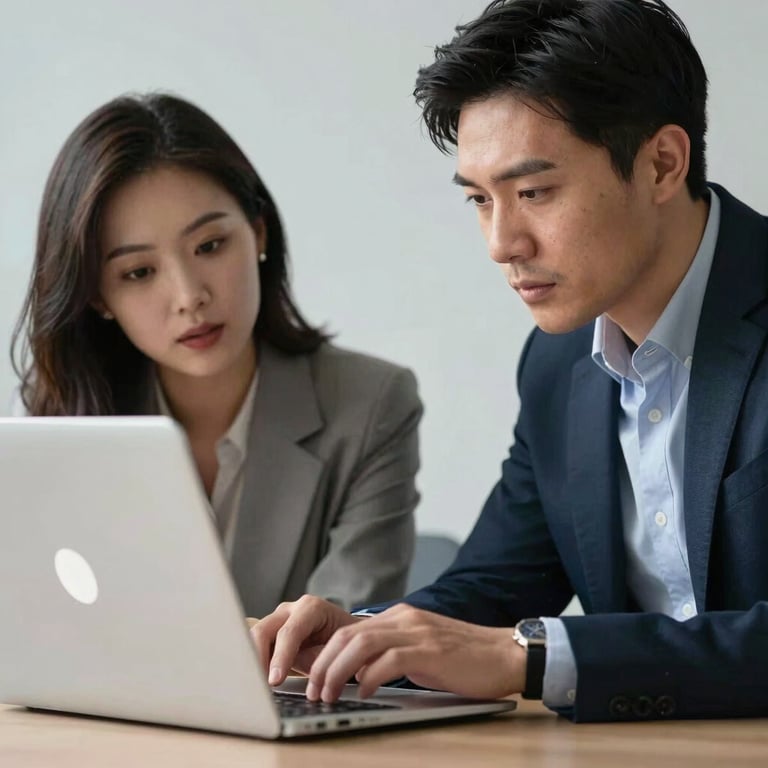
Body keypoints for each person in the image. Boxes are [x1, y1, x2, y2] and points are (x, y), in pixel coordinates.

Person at [252, 0, 768, 722]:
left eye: (533, 192)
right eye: (479, 199)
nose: (502, 242)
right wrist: (360, 636)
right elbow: (494, 585)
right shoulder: (558, 362)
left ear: (661, 163)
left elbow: (509, 644)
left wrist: (528, 656)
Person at [11, 93, 422, 617]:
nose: (189, 296)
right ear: (97, 298)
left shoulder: (371, 404)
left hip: (293, 697)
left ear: (257, 233)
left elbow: (349, 630)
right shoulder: (67, 421)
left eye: (209, 246)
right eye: (138, 272)